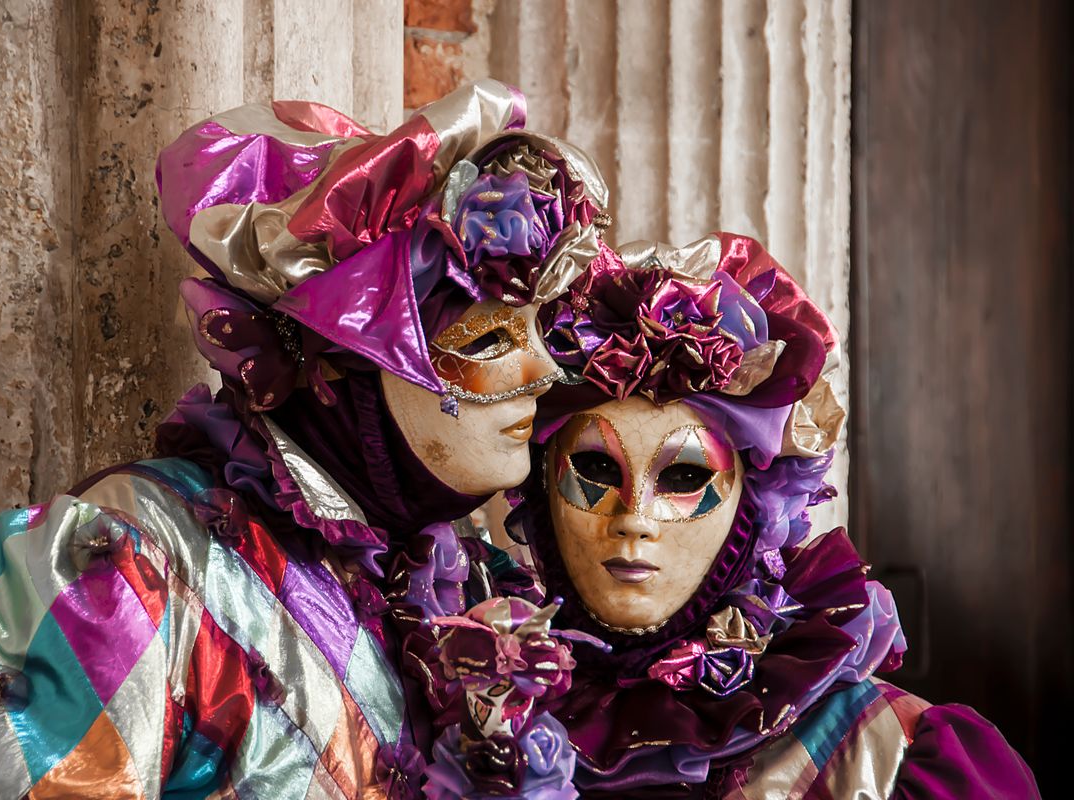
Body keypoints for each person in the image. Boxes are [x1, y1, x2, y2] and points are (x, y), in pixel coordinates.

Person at [0, 80, 609, 799]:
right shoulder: (127, 567)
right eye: (486, 339)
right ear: (339, 365)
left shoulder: (459, 582)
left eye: (539, 331)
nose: (543, 371)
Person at [412, 233, 1039, 798]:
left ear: (753, 505)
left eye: (686, 477)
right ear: (541, 491)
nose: (634, 519)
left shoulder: (885, 760)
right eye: (596, 469)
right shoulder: (468, 698)